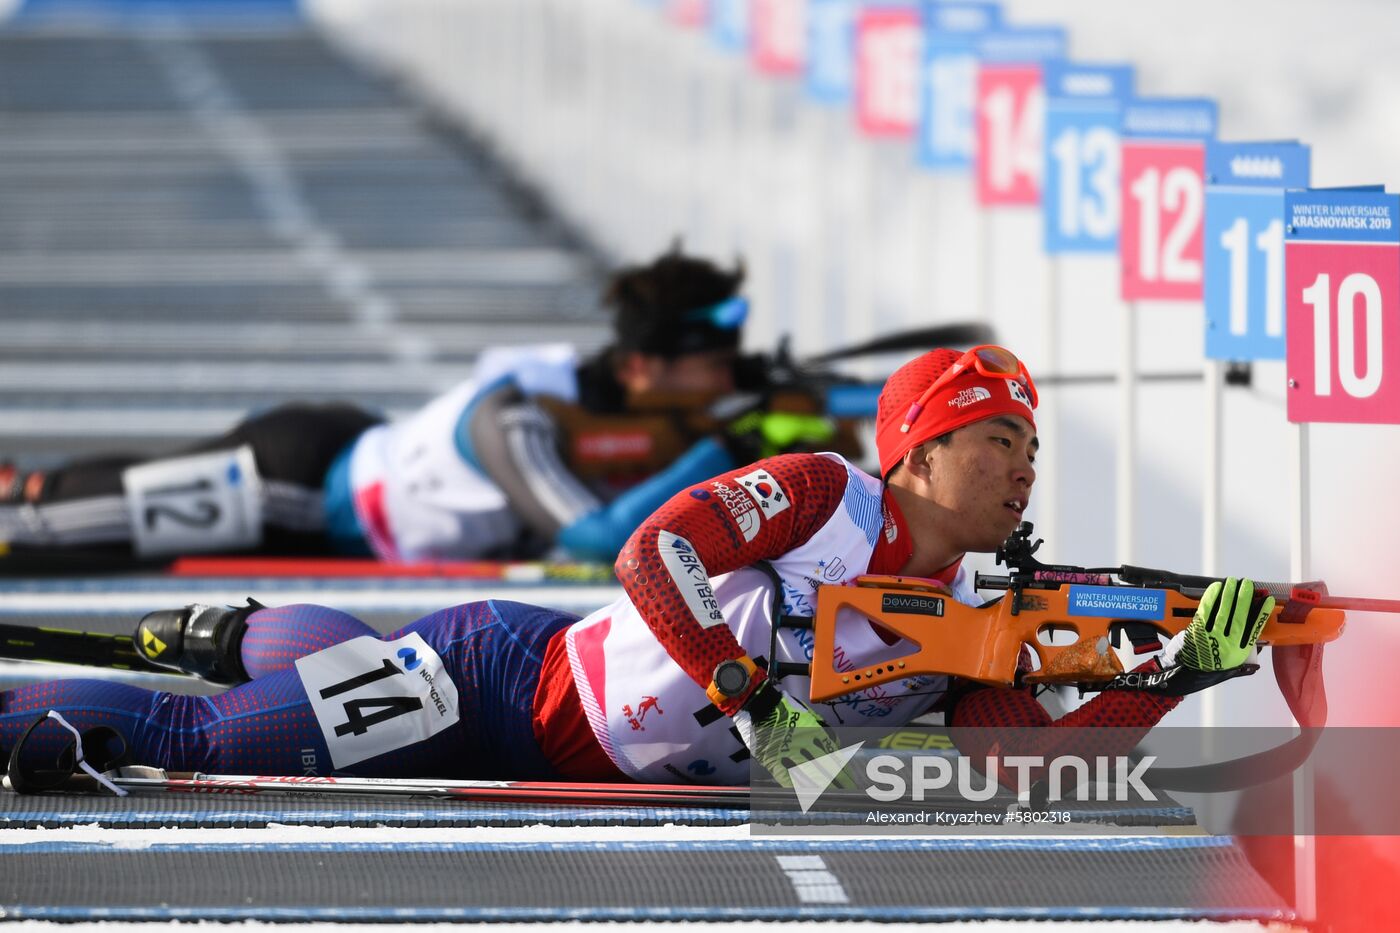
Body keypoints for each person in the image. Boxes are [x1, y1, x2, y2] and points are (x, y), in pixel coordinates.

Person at [0, 345, 1279, 788]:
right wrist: (745, 689)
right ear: (918, 450)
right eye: (996, 440)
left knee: (280, 682)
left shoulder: (979, 613)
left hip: (565, 761)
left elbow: (1016, 771)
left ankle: (250, 630)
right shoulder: (828, 495)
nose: (1021, 469)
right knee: (203, 746)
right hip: (503, 685)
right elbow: (649, 548)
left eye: (1032, 448)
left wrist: (1172, 669)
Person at [0, 247, 806, 568]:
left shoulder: (614, 412)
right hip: (300, 486)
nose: (725, 380)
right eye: (713, 366)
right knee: (47, 535)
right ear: (640, 367)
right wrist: (729, 449)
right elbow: (596, 541)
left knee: (85, 506)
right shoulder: (520, 411)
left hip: (344, 466)